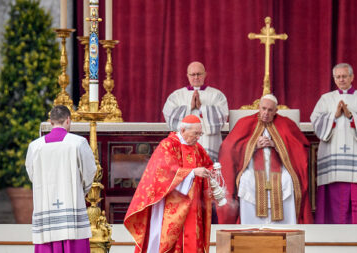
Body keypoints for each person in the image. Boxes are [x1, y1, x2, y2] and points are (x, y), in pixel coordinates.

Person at [217, 94, 313, 224]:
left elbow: (300, 148)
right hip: (251, 169)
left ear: (276, 111)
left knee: (288, 181)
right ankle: (249, 227)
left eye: (270, 110)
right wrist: (253, 145)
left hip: (281, 169)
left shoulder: (286, 124)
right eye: (263, 109)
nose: (266, 113)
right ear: (258, 107)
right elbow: (229, 149)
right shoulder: (245, 123)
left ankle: (285, 227)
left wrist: (277, 145)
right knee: (246, 180)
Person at [124, 115, 213, 253]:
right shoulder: (168, 145)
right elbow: (164, 171)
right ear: (183, 130)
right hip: (172, 204)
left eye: (200, 133)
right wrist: (192, 173)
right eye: (196, 133)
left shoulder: (197, 148)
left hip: (194, 205)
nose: (198, 137)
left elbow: (208, 165)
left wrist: (213, 173)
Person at [310, 63, 357, 224]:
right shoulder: (326, 99)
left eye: (344, 76)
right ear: (334, 79)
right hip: (332, 157)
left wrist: (350, 115)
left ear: (352, 77)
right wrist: (333, 116)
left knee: (356, 193)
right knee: (332, 197)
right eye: (338, 77)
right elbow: (316, 123)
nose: (341, 79)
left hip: (356, 156)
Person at [25, 105, 97, 253]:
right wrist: (81, 190)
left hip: (46, 206)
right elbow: (90, 171)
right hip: (72, 203)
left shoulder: (35, 146)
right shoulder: (78, 143)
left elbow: (32, 174)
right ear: (68, 120)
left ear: (50, 122)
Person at [163, 61, 228, 161]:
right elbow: (169, 115)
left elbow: (222, 116)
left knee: (208, 171)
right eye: (193, 74)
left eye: (199, 74)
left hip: (208, 142)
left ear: (205, 74)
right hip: (185, 143)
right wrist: (190, 107)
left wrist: (202, 107)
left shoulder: (216, 95)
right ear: (187, 76)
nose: (196, 77)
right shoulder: (177, 95)